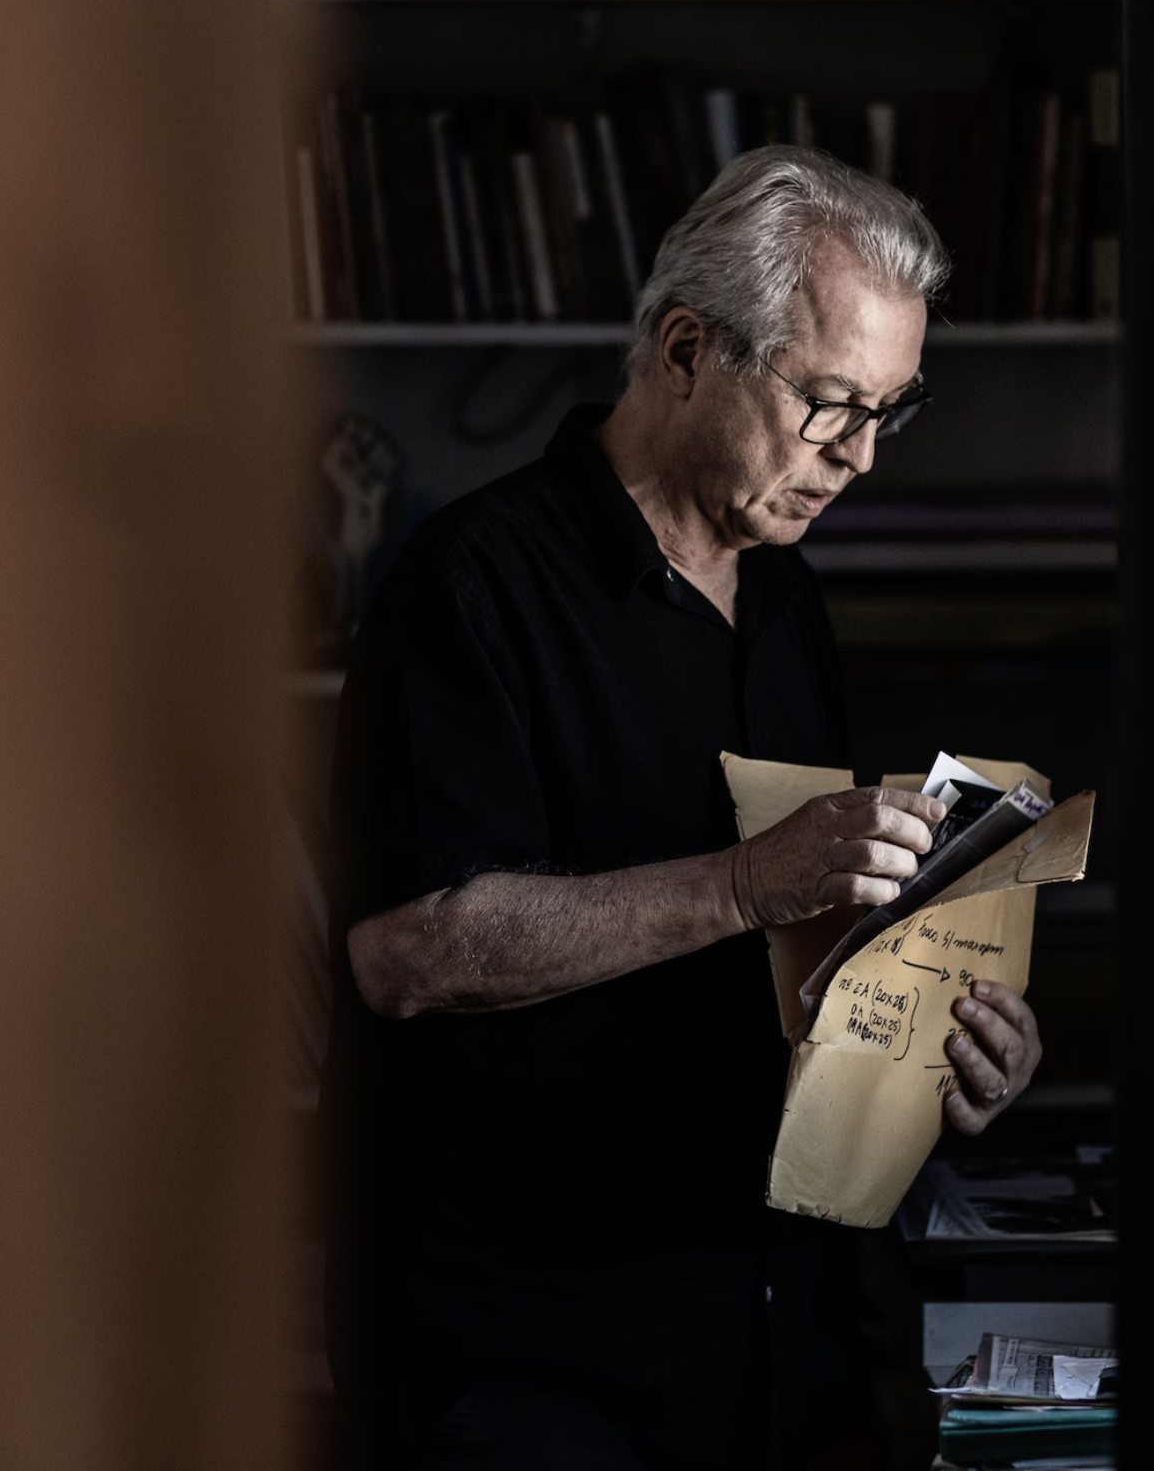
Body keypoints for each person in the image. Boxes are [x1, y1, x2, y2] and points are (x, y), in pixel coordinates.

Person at [323, 146, 1046, 1471]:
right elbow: (401, 955)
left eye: (892, 408)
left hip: (771, 1341)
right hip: (530, 1369)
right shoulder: (470, 584)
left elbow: (793, 972)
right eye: (831, 402)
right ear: (684, 351)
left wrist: (940, 1050)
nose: (864, 457)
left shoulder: (785, 601)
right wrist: (738, 881)